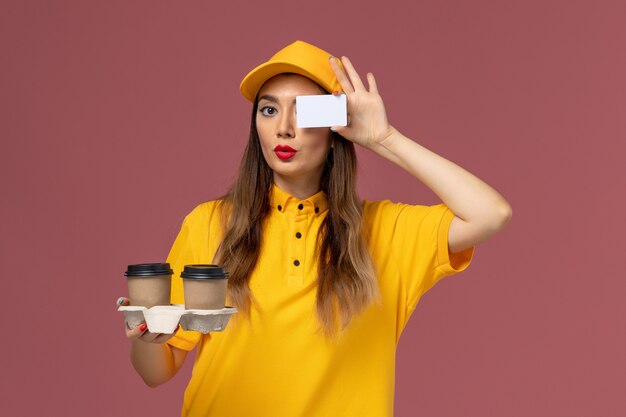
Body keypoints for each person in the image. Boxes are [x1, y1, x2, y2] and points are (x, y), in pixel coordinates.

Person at [118, 40, 512, 416]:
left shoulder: (385, 231)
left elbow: (490, 213)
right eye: (269, 110)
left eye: (304, 112)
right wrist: (144, 338)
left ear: (334, 123)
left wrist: (385, 139)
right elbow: (157, 371)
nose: (284, 129)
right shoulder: (208, 223)